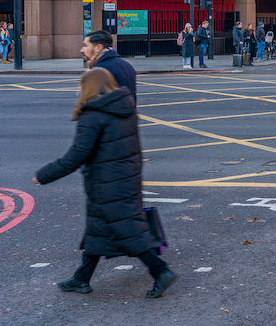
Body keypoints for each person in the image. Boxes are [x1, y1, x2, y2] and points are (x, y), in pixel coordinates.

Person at [34, 67, 176, 298]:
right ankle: (81, 279)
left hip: (107, 184)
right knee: (98, 230)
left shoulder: (93, 114)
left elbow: (78, 154)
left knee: (129, 233)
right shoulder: (124, 108)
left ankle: (161, 271)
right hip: (124, 178)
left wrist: (44, 175)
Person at [81, 30, 137, 100]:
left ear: (98, 47)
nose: (82, 50)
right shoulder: (127, 66)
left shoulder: (99, 71)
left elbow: (94, 104)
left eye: (85, 46)